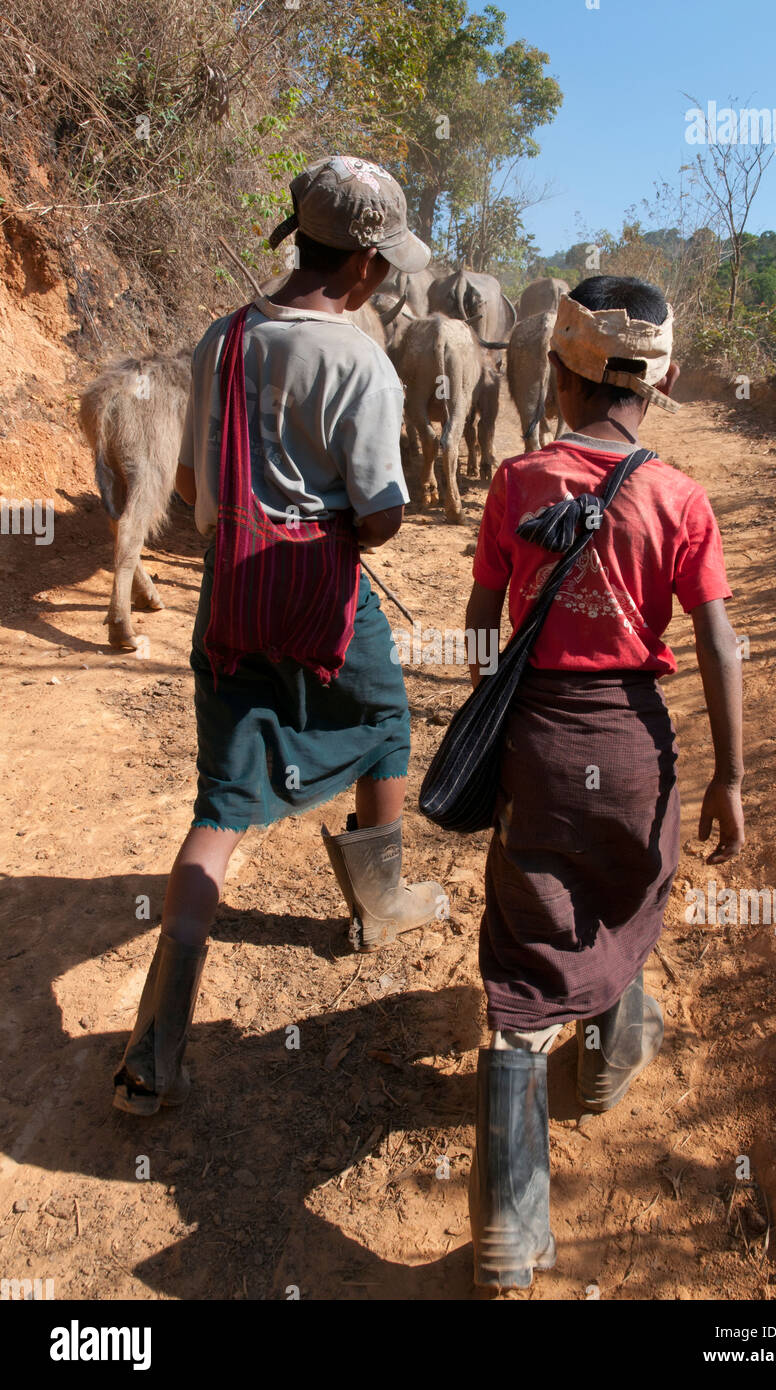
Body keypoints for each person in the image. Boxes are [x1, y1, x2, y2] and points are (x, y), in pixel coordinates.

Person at [113, 155, 448, 1117]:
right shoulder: (361, 363)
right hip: (321, 592)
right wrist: (344, 515)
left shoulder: (220, 339)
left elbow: (194, 477)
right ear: (364, 268)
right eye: (385, 266)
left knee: (220, 804)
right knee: (384, 720)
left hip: (229, 590)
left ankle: (157, 1044)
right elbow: (380, 515)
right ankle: (378, 906)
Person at [463, 274, 744, 1289]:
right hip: (634, 741)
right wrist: (731, 780)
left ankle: (508, 1216)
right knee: (632, 883)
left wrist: (494, 719)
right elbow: (718, 642)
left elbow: (482, 615)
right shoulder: (680, 497)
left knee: (531, 923)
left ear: (560, 371)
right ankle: (613, 1055)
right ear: (661, 386)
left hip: (537, 733)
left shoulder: (518, 481)